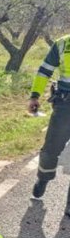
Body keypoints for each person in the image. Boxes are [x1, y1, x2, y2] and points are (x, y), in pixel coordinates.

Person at [29, 34, 70, 214]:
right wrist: (35, 95)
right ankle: (43, 178)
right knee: (51, 149)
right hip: (65, 106)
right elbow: (45, 70)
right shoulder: (63, 43)